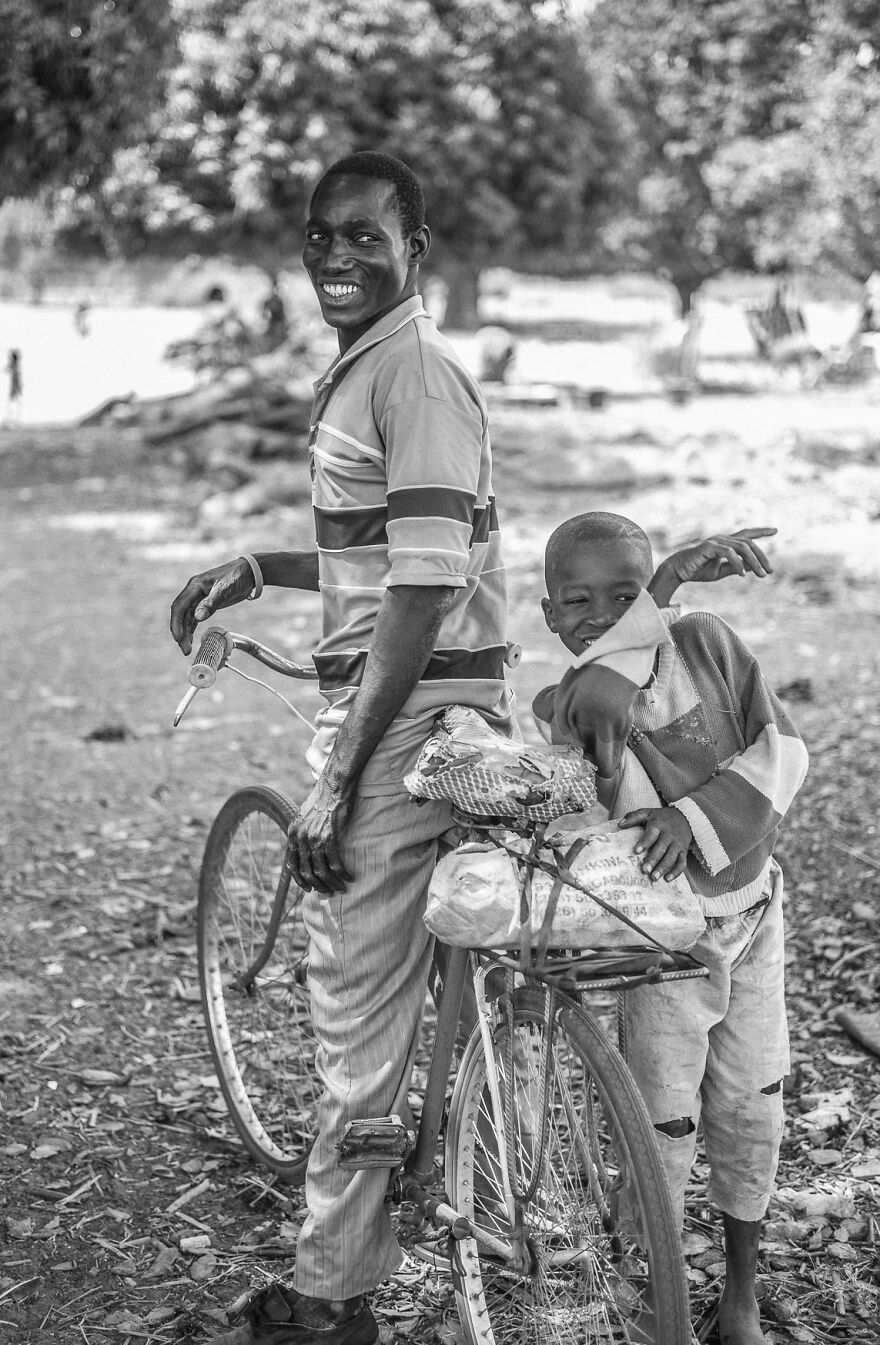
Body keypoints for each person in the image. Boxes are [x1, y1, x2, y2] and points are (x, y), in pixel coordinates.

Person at [170, 150, 780, 1345]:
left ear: (417, 246)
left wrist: (342, 770)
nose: (338, 256)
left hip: (400, 723)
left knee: (354, 1011)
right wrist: (258, 565)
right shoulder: (381, 373)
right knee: (438, 959)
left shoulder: (414, 376)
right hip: (443, 707)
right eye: (321, 235)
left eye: (365, 237)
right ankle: (464, 1169)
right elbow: (402, 555)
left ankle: (334, 1296)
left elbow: (424, 586)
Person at [533, 511, 809, 1345]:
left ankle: (740, 1290)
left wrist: (692, 816)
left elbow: (782, 752)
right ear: (548, 617)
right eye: (576, 601)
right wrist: (662, 582)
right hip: (664, 952)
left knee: (752, 1106)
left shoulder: (708, 643)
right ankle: (659, 1283)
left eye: (624, 591)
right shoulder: (568, 702)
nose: (601, 613)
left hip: (754, 912)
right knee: (663, 1122)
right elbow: (595, 748)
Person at [4, 349, 22, 424]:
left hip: (14, 389)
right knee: (13, 404)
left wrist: (17, 389)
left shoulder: (15, 367)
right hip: (14, 389)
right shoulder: (15, 366)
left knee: (13, 405)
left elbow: (17, 379)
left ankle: (12, 421)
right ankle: (12, 420)